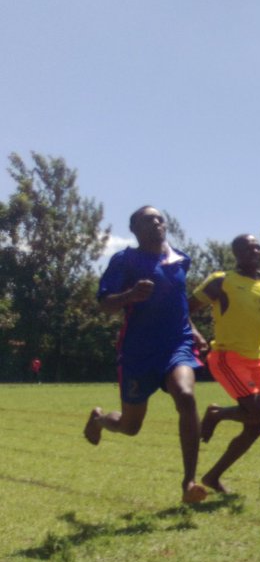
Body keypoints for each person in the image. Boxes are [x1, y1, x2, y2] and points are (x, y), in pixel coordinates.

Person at [84, 205, 208, 504]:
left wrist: (193, 330)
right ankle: (99, 419)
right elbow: (104, 304)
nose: (156, 222)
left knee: (186, 394)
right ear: (135, 229)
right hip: (138, 351)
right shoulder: (125, 260)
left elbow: (178, 302)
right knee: (130, 426)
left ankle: (189, 482)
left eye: (160, 218)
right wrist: (129, 296)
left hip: (176, 345)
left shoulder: (182, 260)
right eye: (147, 219)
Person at [190, 234, 260, 494]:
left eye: (258, 247)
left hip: (255, 359)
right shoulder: (222, 281)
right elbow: (185, 309)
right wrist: (197, 336)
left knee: (255, 427)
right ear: (236, 253)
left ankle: (212, 476)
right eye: (248, 248)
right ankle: (217, 414)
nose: (255, 251)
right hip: (226, 356)